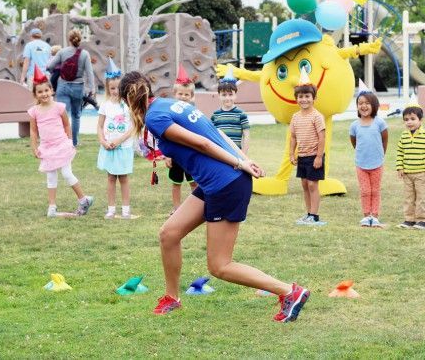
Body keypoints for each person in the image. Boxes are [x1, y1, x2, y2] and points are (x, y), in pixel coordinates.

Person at [119, 71, 310, 321]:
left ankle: (289, 291)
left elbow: (204, 143)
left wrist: (240, 164)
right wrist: (243, 159)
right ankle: (172, 297)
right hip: (217, 182)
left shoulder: (155, 116)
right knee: (169, 234)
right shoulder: (169, 104)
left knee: (220, 265)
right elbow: (217, 133)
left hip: (226, 183)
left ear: (127, 101)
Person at [28, 66, 94, 217]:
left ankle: (83, 199)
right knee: (51, 176)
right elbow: (33, 131)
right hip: (47, 148)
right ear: (35, 94)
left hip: (62, 145)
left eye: (46, 90)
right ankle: (52, 206)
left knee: (67, 173)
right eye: (40, 92)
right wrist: (34, 146)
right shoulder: (34, 112)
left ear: (51, 90)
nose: (44, 94)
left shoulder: (59, 107)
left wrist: (70, 141)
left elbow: (66, 124)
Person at [96, 60, 134, 219]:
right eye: (112, 88)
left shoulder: (128, 105)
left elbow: (133, 127)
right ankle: (111, 208)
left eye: (118, 88)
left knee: (123, 178)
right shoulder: (105, 105)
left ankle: (125, 209)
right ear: (107, 88)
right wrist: (103, 141)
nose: (115, 91)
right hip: (108, 147)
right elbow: (99, 126)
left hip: (123, 147)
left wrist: (119, 140)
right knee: (111, 177)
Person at [48, 29, 95, 147]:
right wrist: (91, 88)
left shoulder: (62, 52)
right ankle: (73, 142)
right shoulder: (84, 54)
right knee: (76, 115)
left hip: (63, 86)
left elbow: (50, 66)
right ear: (80, 39)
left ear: (69, 39)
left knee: (61, 115)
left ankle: (60, 140)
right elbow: (90, 73)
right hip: (78, 87)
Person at [395, 104, 425, 229]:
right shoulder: (404, 136)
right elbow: (400, 152)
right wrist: (400, 167)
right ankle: (409, 219)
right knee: (408, 197)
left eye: (412, 119)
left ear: (420, 120)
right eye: (406, 120)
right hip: (408, 174)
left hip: (422, 173)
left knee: (421, 197)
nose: (409, 122)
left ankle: (423, 220)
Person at [349, 88, 388, 228]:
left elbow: (384, 140)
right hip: (361, 164)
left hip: (377, 163)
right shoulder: (354, 125)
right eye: (360, 103)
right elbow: (354, 142)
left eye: (367, 103)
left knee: (375, 190)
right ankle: (366, 216)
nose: (363, 106)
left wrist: (379, 155)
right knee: (365, 191)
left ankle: (375, 215)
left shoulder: (380, 123)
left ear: (374, 105)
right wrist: (362, 154)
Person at [290, 79, 326, 226]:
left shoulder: (317, 116)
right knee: (305, 185)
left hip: (314, 156)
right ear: (296, 99)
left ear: (314, 98)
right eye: (300, 97)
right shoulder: (295, 117)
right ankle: (308, 214)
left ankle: (315, 215)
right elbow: (292, 137)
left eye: (307, 96)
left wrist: (319, 156)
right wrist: (291, 154)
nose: (304, 99)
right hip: (302, 156)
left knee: (312, 185)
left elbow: (322, 137)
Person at [164, 68, 198, 214]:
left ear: (191, 97)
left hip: (190, 154)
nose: (183, 97)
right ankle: (177, 208)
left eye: (186, 94)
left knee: (194, 182)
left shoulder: (193, 113)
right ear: (174, 94)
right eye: (180, 94)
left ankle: (195, 208)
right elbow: (166, 135)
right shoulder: (169, 113)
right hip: (175, 154)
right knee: (176, 183)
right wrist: (167, 154)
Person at [211, 78, 250, 154]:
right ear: (219, 96)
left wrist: (243, 155)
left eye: (230, 94)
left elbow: (246, 135)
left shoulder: (241, 114)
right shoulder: (215, 115)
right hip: (220, 153)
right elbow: (212, 135)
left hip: (236, 153)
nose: (227, 98)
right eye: (224, 95)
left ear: (235, 95)